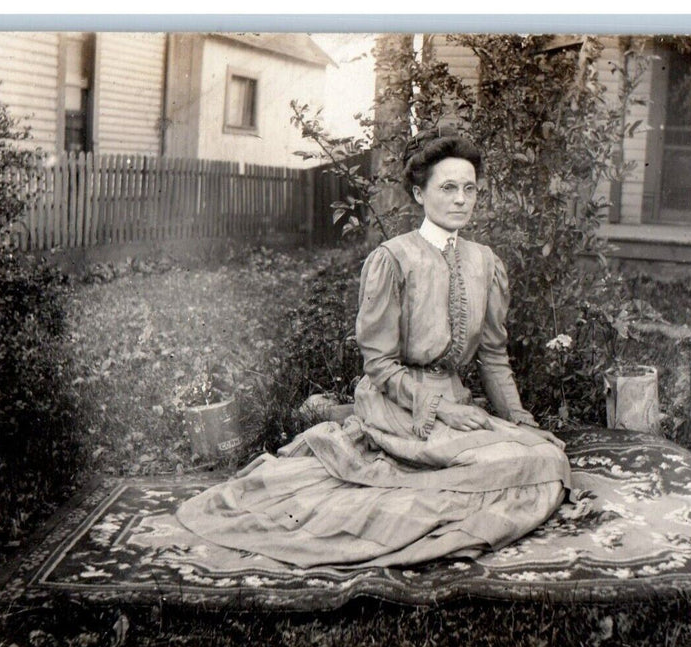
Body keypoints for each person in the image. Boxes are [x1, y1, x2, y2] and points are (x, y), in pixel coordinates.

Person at [175, 128, 570, 568]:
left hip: (456, 404)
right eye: (447, 188)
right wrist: (441, 409)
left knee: (544, 455)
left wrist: (516, 418)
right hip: (400, 406)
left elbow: (494, 357)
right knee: (504, 472)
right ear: (419, 194)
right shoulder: (394, 258)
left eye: (469, 188)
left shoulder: (484, 262)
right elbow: (379, 363)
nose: (461, 199)